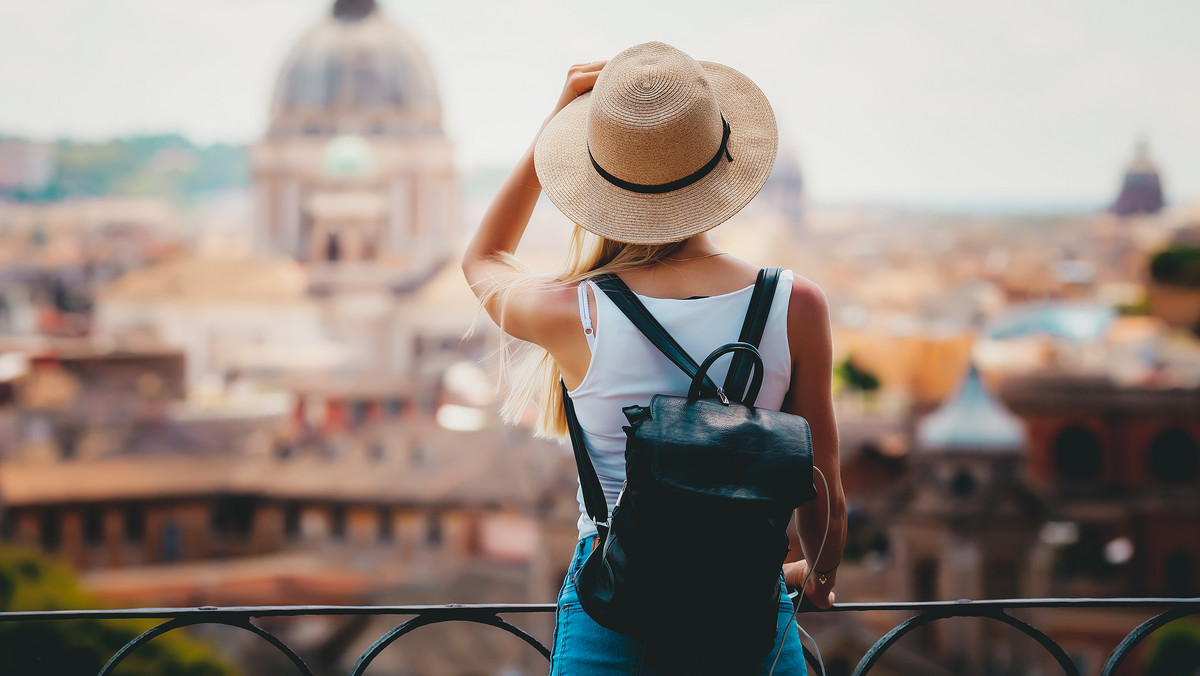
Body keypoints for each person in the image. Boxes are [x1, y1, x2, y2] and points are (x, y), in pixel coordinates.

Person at [462, 42, 846, 675]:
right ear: (720, 165)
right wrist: (822, 579)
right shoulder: (796, 304)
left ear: (593, 176)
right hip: (748, 616)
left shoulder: (575, 312)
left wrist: (549, 136)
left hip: (614, 615)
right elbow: (823, 490)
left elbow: (483, 261)